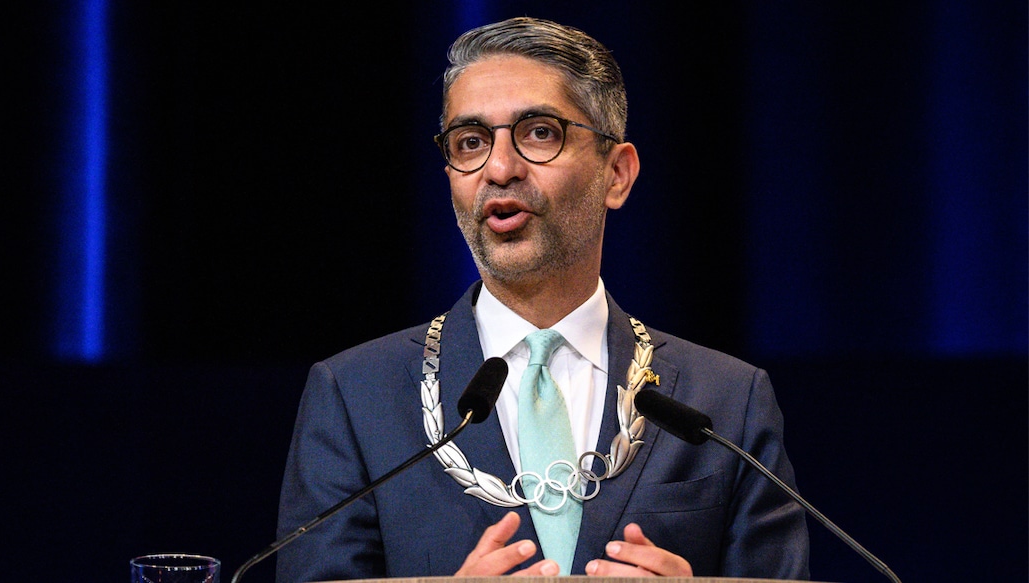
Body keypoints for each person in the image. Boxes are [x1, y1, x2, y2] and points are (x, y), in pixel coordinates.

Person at [275, 16, 809, 581]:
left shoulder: (727, 401)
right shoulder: (356, 398)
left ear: (617, 174)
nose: (499, 170)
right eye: (471, 142)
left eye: (538, 133)